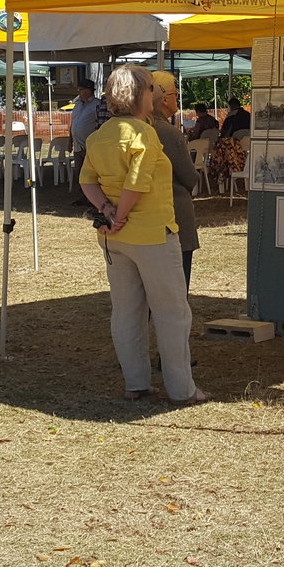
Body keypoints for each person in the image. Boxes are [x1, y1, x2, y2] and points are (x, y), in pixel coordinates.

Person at [80, 65, 205, 404]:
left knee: (126, 311)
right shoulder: (145, 134)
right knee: (173, 312)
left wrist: (108, 211)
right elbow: (138, 182)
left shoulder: (99, 135)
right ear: (140, 94)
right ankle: (182, 389)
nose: (157, 95)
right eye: (152, 88)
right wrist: (119, 214)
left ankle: (135, 383)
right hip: (152, 234)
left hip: (114, 239)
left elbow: (86, 181)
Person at [148, 71, 202, 283]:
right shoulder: (167, 132)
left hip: (147, 221)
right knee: (177, 284)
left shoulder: (139, 127)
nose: (177, 98)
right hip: (174, 213)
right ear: (164, 98)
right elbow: (189, 177)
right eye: (175, 93)